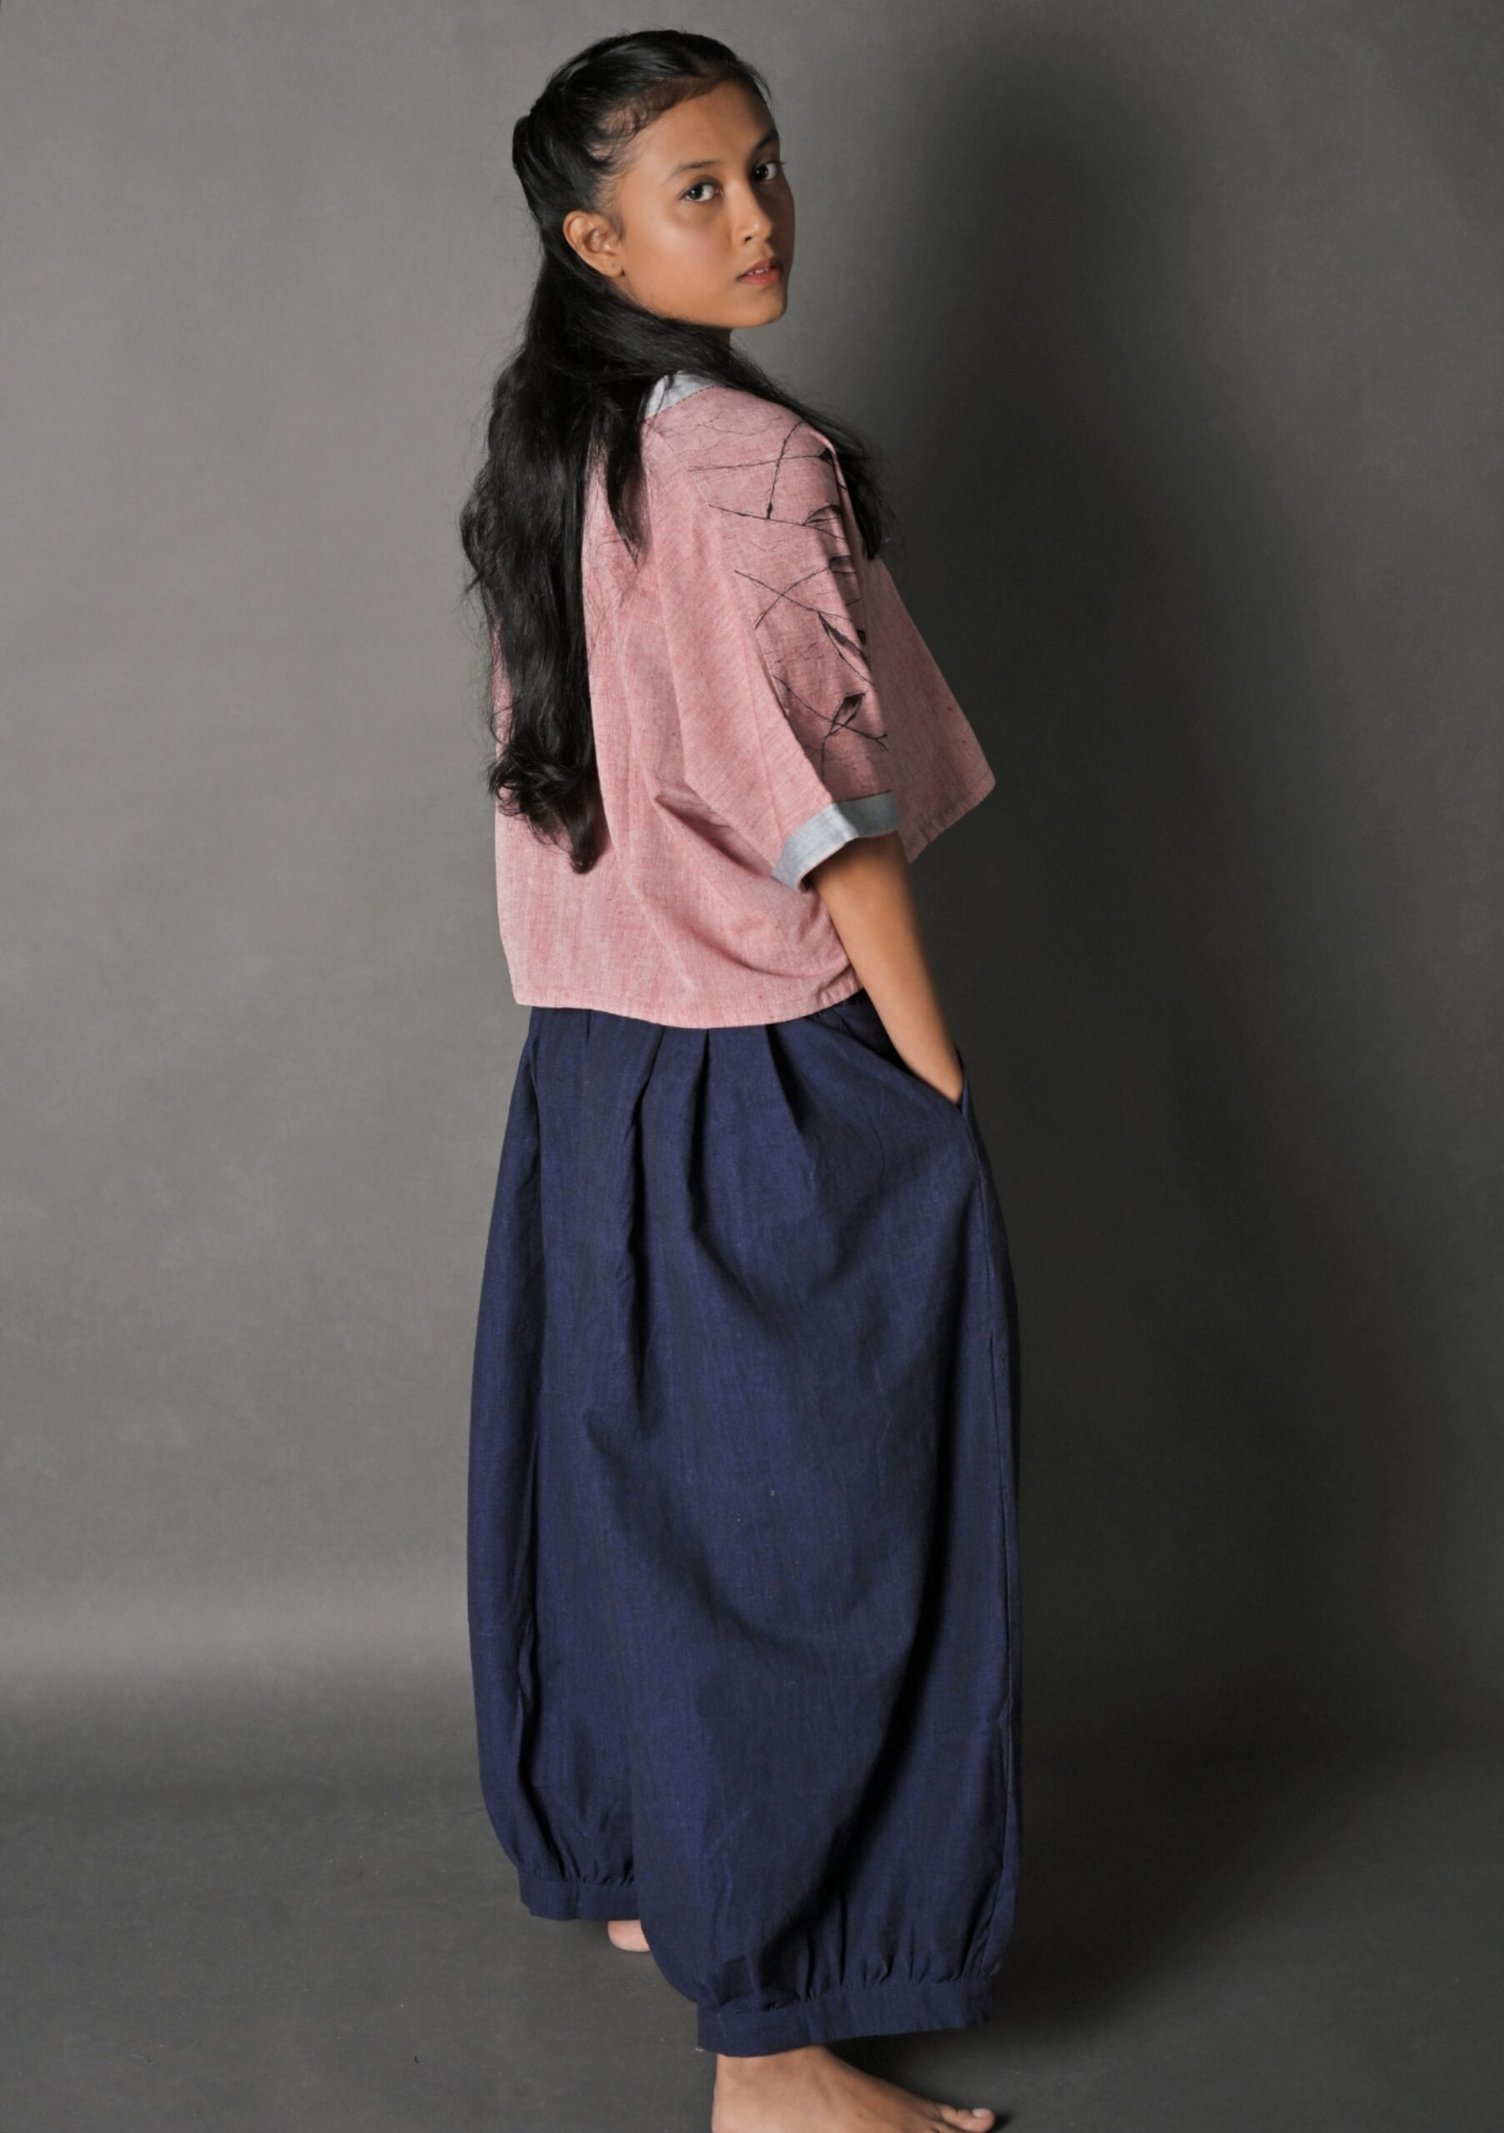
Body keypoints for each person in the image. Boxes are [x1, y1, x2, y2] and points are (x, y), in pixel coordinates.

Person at [460, 30, 1022, 2133]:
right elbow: (833, 823)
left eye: (765, 165)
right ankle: (774, 2060)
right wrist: (933, 1086)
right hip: (763, 1079)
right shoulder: (750, 462)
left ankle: (655, 1872)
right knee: (810, 1546)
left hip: (591, 1075)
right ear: (594, 238)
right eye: (698, 188)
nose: (760, 212)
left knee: (639, 1508)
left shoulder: (555, 444)